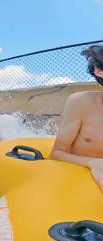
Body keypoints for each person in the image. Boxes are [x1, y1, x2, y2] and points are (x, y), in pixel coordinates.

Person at [50, 44, 103, 191]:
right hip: (76, 176)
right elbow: (56, 154)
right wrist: (94, 163)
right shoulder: (81, 102)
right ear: (98, 71)